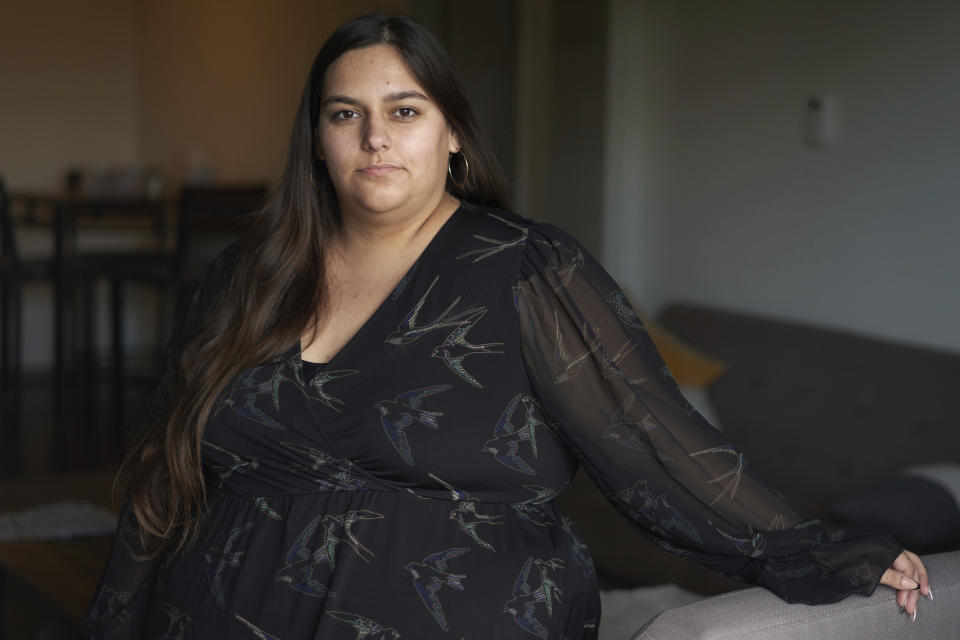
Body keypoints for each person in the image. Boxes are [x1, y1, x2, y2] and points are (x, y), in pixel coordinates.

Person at [84, 13, 932, 639]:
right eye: (345, 115)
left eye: (405, 111)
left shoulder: (525, 268)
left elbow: (655, 449)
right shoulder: (244, 276)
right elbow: (171, 477)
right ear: (316, 141)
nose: (375, 137)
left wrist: (816, 554)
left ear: (452, 133)